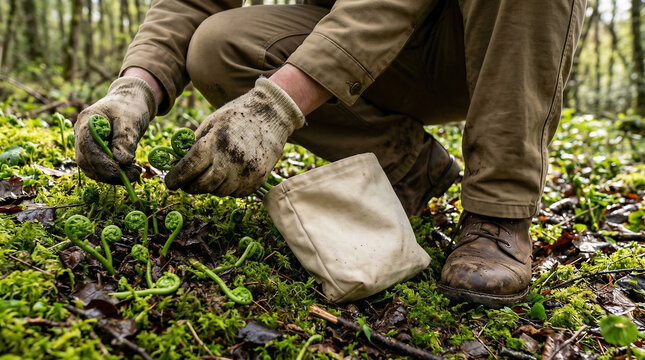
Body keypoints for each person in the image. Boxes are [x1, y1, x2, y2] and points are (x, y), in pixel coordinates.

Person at [74, 0, 586, 306]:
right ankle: (408, 166)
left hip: (486, 38)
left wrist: (279, 104)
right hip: (366, 51)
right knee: (220, 44)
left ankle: (499, 211)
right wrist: (136, 84)